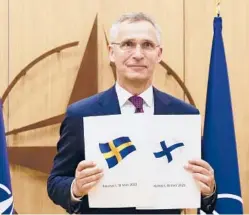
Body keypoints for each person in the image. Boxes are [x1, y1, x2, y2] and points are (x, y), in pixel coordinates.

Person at [47, 12, 217, 214]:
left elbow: (202, 189)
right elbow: (56, 182)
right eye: (128, 44)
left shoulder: (183, 115)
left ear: (159, 54)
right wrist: (76, 187)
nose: (138, 54)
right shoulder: (81, 114)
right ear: (111, 52)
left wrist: (209, 189)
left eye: (147, 45)